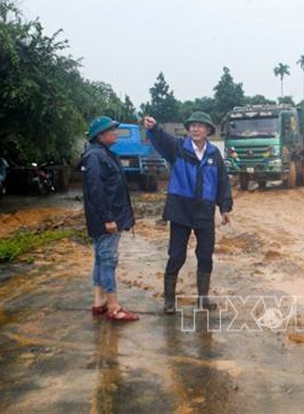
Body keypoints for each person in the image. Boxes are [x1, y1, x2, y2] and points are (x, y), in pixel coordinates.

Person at [143, 112, 232, 314]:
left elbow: (223, 183)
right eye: (192, 126)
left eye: (200, 126)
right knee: (176, 255)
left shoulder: (213, 154)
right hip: (180, 210)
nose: (195, 129)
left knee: (205, 256)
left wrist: (225, 207)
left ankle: (203, 299)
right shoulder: (178, 148)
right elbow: (163, 140)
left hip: (204, 211)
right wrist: (154, 128)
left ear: (208, 131)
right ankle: (169, 301)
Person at [81, 115, 139, 322]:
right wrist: (108, 219)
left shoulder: (104, 154)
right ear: (101, 135)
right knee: (108, 260)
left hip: (107, 217)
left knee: (100, 258)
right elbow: (96, 191)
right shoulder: (96, 157)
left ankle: (99, 302)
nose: (116, 133)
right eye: (112, 130)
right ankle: (114, 307)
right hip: (106, 220)